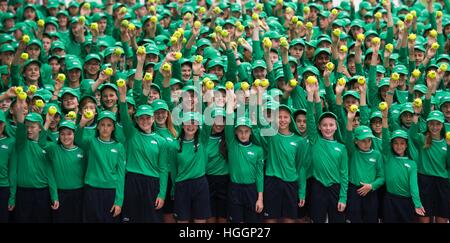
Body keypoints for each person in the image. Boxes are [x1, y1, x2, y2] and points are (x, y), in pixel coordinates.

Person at [118, 81, 168, 223]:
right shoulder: (131, 133)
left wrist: (162, 194)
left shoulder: (161, 141)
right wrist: (122, 97)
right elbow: (124, 115)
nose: (144, 121)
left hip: (152, 184)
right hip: (133, 182)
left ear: (153, 119)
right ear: (137, 119)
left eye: (148, 117)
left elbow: (163, 169)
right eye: (141, 118)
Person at [305, 80, 348, 223]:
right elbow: (310, 118)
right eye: (324, 125)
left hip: (335, 189)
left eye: (331, 125)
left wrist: (342, 197)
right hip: (318, 187)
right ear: (319, 127)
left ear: (336, 127)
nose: (328, 128)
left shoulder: (341, 148)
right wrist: (311, 95)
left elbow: (344, 175)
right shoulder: (315, 140)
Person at [10, 98, 59, 223]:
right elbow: (20, 126)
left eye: (32, 127)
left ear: (40, 128)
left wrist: (54, 195)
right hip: (23, 194)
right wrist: (12, 197)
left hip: (42, 194)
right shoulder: (21, 143)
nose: (29, 130)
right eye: (27, 127)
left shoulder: (49, 146)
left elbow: (50, 173)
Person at [75, 110, 125, 223]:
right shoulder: (91, 142)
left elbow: (121, 175)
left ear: (113, 128)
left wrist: (119, 201)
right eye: (102, 124)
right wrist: (81, 124)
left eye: (109, 125)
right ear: (97, 126)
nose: (105, 128)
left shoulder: (119, 146)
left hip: (110, 192)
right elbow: (77, 140)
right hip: (91, 190)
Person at [381, 104, 425, 223]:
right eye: (395, 143)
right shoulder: (388, 156)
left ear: (406, 145)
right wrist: (384, 118)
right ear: (391, 145)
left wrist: (417, 203)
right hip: (389, 200)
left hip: (406, 201)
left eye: (402, 143)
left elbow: (414, 186)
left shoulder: (412, 164)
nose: (399, 146)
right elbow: (385, 137)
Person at [225, 89, 264, 223]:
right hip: (234, 188)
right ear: (235, 132)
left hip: (251, 190)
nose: (243, 134)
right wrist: (230, 100)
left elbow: (259, 175)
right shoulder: (232, 144)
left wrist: (260, 198)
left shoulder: (258, 150)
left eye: (246, 131)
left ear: (250, 132)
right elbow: (229, 120)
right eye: (240, 131)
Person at [410, 109, 449, 223]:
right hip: (425, 181)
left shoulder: (447, 142)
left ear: (442, 125)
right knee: (424, 217)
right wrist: (416, 114)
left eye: (437, 124)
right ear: (427, 124)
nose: (434, 127)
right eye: (431, 124)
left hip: (442, 182)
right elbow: (412, 134)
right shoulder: (423, 138)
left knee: (442, 216)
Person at [171, 112, 211, 223]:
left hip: (200, 184)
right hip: (182, 186)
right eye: (187, 123)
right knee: (182, 220)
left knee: (200, 220)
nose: (190, 126)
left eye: (194, 123)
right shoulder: (175, 145)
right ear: (182, 125)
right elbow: (174, 170)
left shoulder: (203, 140)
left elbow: (208, 122)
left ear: (198, 126)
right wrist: (174, 189)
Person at [345, 110, 384, 223]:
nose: (367, 143)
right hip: (354, 191)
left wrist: (371, 186)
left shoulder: (377, 155)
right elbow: (348, 135)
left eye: (369, 140)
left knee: (371, 219)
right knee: (354, 219)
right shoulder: (353, 151)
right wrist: (349, 120)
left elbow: (381, 177)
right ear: (356, 141)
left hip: (371, 192)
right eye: (363, 140)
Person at [44, 119, 86, 223]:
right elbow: (41, 142)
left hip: (79, 194)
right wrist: (48, 122)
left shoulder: (82, 151)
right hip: (60, 194)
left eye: (69, 134)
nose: (65, 137)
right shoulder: (54, 149)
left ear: (74, 134)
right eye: (62, 134)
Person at [0, 110, 15, 222]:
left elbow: (13, 171)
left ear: (4, 124)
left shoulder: (11, 142)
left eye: (0, 123)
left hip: (3, 188)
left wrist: (12, 197)